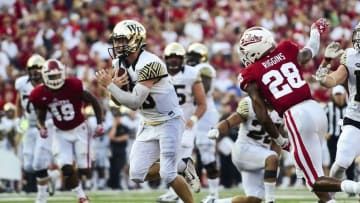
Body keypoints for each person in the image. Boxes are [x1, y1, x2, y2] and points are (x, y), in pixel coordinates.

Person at [237, 18, 360, 203]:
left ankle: (355, 187)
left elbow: (262, 114)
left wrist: (279, 139)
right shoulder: (285, 49)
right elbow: (308, 52)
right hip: (316, 109)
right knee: (312, 172)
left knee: (314, 181)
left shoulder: (250, 73)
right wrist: (315, 31)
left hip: (297, 117)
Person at [94, 19, 194, 203]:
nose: (118, 45)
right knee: (137, 174)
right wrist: (115, 88)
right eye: (116, 40)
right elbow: (118, 102)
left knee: (167, 173)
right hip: (147, 121)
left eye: (122, 40)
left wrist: (109, 85)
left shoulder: (150, 63)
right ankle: (183, 164)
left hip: (168, 120)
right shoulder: (119, 63)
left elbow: (133, 102)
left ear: (136, 40)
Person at [29, 59, 104, 203]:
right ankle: (81, 196)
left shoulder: (73, 85)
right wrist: (42, 127)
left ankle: (73, 178)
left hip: (80, 129)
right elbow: (40, 117)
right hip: (60, 132)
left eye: (57, 75)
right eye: (51, 77)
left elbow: (94, 100)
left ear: (63, 74)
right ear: (45, 77)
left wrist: (100, 123)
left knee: (85, 171)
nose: (55, 79)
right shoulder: (40, 93)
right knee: (66, 169)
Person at [313, 22, 360, 198]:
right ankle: (328, 199)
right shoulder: (352, 57)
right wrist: (325, 63)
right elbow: (329, 81)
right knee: (341, 163)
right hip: (356, 120)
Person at [206, 96, 283, 203]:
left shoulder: (281, 109)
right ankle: (270, 201)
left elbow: (276, 141)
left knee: (252, 200)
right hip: (244, 150)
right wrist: (217, 129)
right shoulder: (250, 103)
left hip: (260, 157)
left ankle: (213, 202)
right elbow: (230, 121)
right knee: (272, 158)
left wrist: (274, 166)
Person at [157, 42, 207, 202]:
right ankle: (176, 190)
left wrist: (193, 118)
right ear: (165, 58)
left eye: (177, 57)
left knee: (179, 155)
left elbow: (202, 103)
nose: (173, 61)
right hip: (165, 123)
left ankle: (177, 194)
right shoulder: (158, 73)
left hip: (185, 124)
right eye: (170, 57)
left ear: (183, 59)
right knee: (166, 158)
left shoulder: (192, 74)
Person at [15, 54, 59, 203]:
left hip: (45, 125)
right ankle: (51, 176)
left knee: (38, 163)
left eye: (37, 68)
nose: (34, 71)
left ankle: (41, 198)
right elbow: (18, 101)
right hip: (28, 124)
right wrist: (18, 118)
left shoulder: (49, 84)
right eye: (31, 68)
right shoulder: (21, 83)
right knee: (28, 166)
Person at [186, 42, 221, 202]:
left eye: (194, 57)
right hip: (196, 113)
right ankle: (182, 191)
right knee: (186, 150)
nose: (191, 59)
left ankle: (214, 194)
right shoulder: (192, 70)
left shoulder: (205, 69)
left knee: (207, 154)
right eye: (190, 56)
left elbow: (203, 90)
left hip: (206, 114)